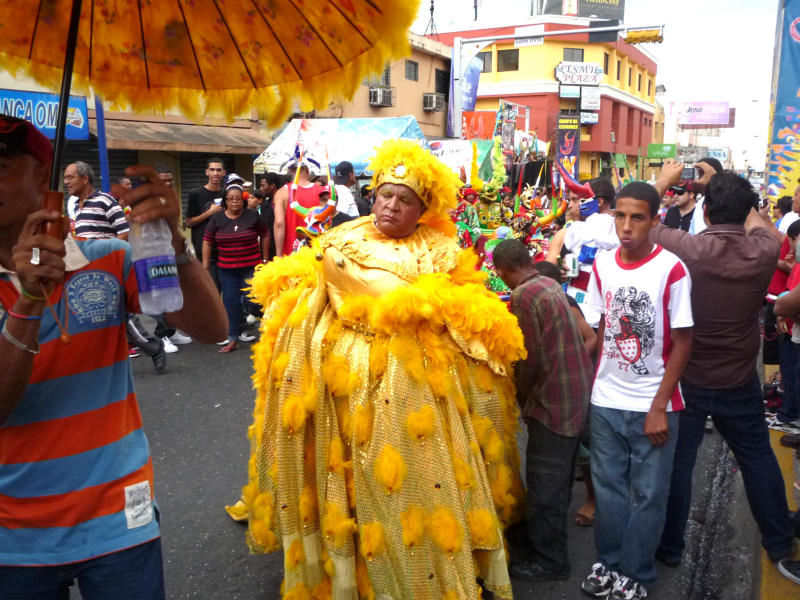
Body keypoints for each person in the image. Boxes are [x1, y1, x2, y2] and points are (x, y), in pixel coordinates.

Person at [234, 139, 526, 600]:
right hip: (340, 381)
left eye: (405, 199)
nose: (391, 205)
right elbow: (313, 294)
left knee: (408, 480)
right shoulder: (340, 238)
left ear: (423, 208)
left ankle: (415, 570)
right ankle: (347, 562)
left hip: (413, 387)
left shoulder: (443, 249)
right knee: (345, 473)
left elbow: (461, 312)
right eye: (386, 194)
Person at [0, 115, 227, 599]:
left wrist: (172, 243)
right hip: (11, 534)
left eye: (0, 167)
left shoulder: (110, 258)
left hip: (122, 517)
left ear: (43, 178)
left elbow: (212, 330)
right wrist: (29, 300)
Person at [651, 160, 796, 574]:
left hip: (689, 377)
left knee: (680, 464)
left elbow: (644, 219)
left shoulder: (687, 247)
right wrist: (738, 195)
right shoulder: (764, 248)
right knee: (757, 457)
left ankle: (671, 547)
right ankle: (779, 540)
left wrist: (664, 179)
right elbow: (765, 228)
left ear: (705, 211)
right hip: (738, 378)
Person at [581, 181, 693, 600]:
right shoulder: (603, 264)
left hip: (653, 404)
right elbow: (600, 326)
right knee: (608, 490)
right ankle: (608, 565)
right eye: (620, 216)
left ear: (655, 219)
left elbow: (684, 341)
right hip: (606, 400)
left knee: (648, 495)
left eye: (637, 217)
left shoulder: (672, 269)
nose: (626, 227)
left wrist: (659, 405)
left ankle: (637, 573)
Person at [492, 238, 592, 583]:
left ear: (502, 270)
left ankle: (550, 560)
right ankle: (546, 539)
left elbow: (528, 358)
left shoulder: (524, 296)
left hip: (553, 403)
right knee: (559, 477)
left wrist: (519, 397)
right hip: (575, 393)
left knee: (545, 480)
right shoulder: (549, 283)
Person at [202, 183, 268, 353]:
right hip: (226, 269)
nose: (234, 202)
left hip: (251, 267)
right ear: (225, 201)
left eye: (238, 199)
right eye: (230, 199)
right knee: (230, 304)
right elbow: (207, 241)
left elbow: (265, 234)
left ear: (243, 200)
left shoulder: (252, 216)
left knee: (253, 301)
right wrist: (204, 265)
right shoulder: (217, 219)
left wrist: (265, 258)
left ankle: (268, 327)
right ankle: (233, 338)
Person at [185, 157, 225, 286]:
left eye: (219, 170)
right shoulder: (195, 193)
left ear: (224, 173)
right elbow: (189, 223)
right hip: (204, 250)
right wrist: (209, 213)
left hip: (225, 249)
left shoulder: (227, 194)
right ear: (206, 172)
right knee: (212, 291)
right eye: (212, 170)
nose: (215, 173)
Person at [64, 161, 129, 240]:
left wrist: (107, 250)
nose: (66, 182)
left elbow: (125, 232)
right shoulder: (76, 206)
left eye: (70, 177)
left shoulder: (104, 200)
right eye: (65, 178)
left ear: (85, 179)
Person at [272, 157, 319, 257]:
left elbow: (279, 223)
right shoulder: (321, 191)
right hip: (317, 254)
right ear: (307, 169)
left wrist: (279, 255)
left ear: (289, 170)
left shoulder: (282, 192)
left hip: (291, 254)